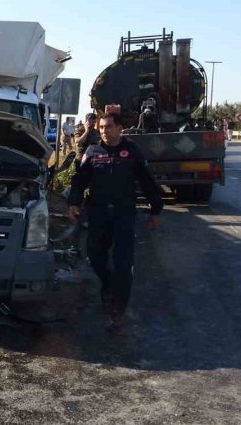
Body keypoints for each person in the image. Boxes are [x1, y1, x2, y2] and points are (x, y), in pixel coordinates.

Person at [67, 113, 163, 330]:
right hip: (98, 213)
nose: (104, 131)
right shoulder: (93, 151)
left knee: (122, 261)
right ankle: (108, 284)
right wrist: (74, 202)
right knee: (94, 256)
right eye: (101, 127)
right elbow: (80, 179)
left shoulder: (131, 151)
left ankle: (116, 308)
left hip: (123, 214)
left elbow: (147, 181)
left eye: (109, 126)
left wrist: (155, 210)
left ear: (120, 128)